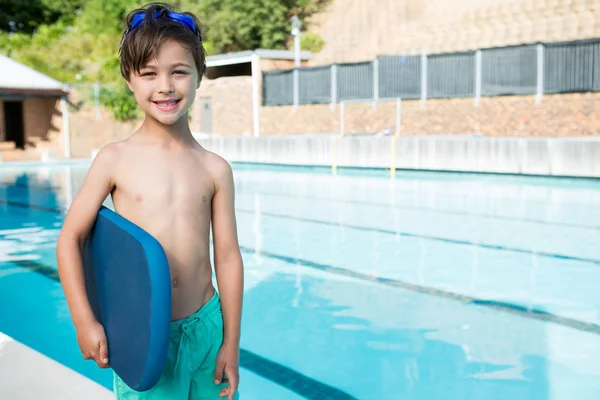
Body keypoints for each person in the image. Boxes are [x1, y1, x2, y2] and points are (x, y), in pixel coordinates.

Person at [56, 3, 243, 399]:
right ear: (129, 79)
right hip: (143, 335)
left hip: (206, 328)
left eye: (179, 71)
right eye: (149, 74)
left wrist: (231, 340)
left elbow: (226, 256)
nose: (165, 86)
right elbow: (70, 238)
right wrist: (83, 320)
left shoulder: (214, 168)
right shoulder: (114, 159)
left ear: (198, 76)